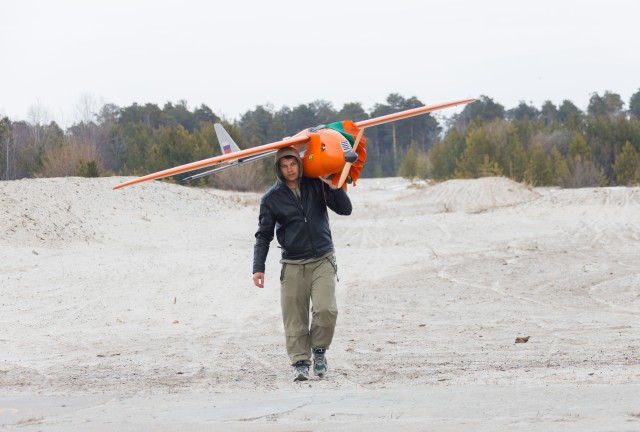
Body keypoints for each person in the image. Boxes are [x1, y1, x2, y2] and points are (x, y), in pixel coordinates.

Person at [252, 146, 353, 382]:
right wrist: (258, 267)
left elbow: (345, 210)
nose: (289, 170)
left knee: (326, 309)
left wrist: (331, 184)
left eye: (293, 164)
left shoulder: (316, 184)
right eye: (284, 166)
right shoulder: (271, 199)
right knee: (294, 318)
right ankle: (300, 363)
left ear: (300, 163)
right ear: (278, 169)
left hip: (323, 259)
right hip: (293, 263)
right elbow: (263, 235)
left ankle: (319, 351)